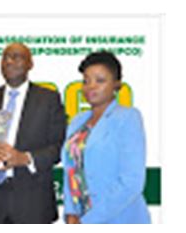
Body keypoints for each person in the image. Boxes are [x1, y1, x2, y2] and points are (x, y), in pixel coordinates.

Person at [0, 43, 66, 223]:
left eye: (17, 56)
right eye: (5, 57)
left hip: (33, 201)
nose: (9, 62)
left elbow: (59, 146)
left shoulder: (48, 98)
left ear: (30, 64)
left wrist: (25, 158)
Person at [62, 51, 151, 224]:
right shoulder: (77, 121)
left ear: (116, 85)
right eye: (86, 81)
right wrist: (70, 212)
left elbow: (131, 182)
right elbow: (71, 170)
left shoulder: (128, 117)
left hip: (119, 218)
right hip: (78, 217)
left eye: (100, 80)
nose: (90, 86)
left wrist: (88, 220)